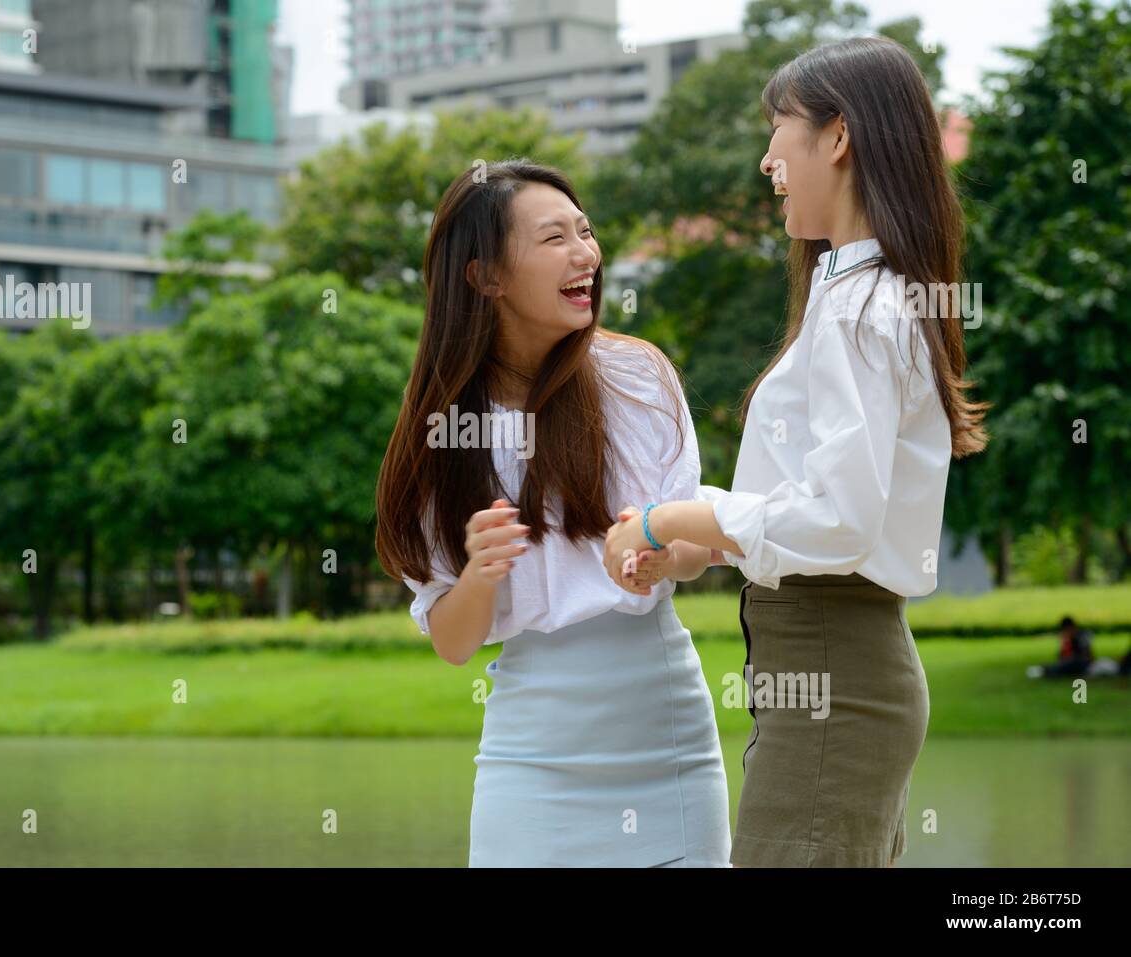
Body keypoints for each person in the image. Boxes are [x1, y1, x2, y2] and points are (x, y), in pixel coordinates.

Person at [603, 37, 989, 867]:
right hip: (830, 677)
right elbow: (814, 504)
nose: (767, 156)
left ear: (838, 136)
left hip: (834, 677)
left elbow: (839, 522)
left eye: (780, 125)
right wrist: (692, 544)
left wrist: (665, 515)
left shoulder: (860, 309)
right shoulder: (856, 295)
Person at [374, 160, 731, 867]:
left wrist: (667, 552)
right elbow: (452, 642)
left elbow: (697, 544)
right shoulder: (445, 435)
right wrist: (479, 572)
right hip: (532, 763)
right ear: (485, 277)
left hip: (668, 741)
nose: (586, 254)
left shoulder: (639, 378)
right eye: (554, 238)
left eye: (586, 232)